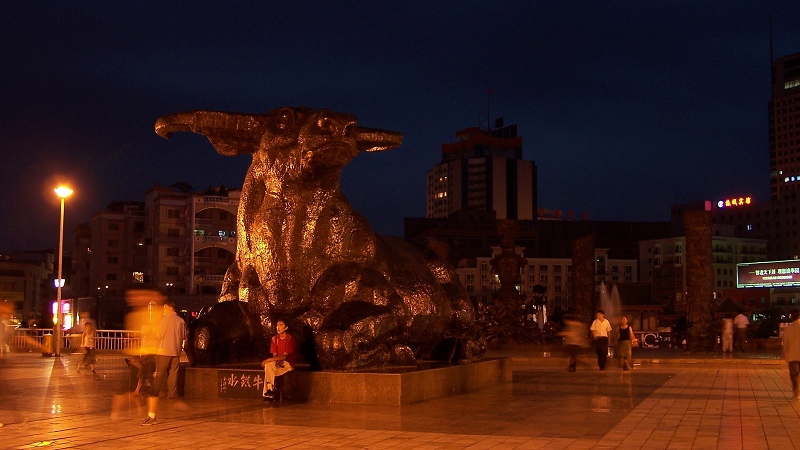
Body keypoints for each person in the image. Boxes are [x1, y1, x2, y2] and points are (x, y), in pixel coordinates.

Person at [140, 301, 186, 426]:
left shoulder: (166, 320)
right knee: (173, 372)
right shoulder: (181, 321)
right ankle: (172, 394)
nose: (163, 309)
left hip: (165, 350)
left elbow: (159, 334)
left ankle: (155, 395)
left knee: (158, 376)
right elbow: (183, 337)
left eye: (165, 307)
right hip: (176, 351)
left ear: (170, 308)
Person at [261, 319, 297, 402]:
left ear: (286, 327)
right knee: (268, 366)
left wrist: (269, 360)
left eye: (281, 325)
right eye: (277, 325)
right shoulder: (274, 339)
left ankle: (269, 393)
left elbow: (284, 357)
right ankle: (270, 390)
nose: (278, 327)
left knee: (268, 364)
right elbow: (275, 355)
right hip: (278, 361)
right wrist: (274, 362)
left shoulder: (290, 339)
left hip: (288, 363)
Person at [782, 309, 800, 401]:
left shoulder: (788, 328)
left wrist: (785, 352)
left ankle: (796, 394)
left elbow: (785, 342)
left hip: (793, 355)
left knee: (794, 375)